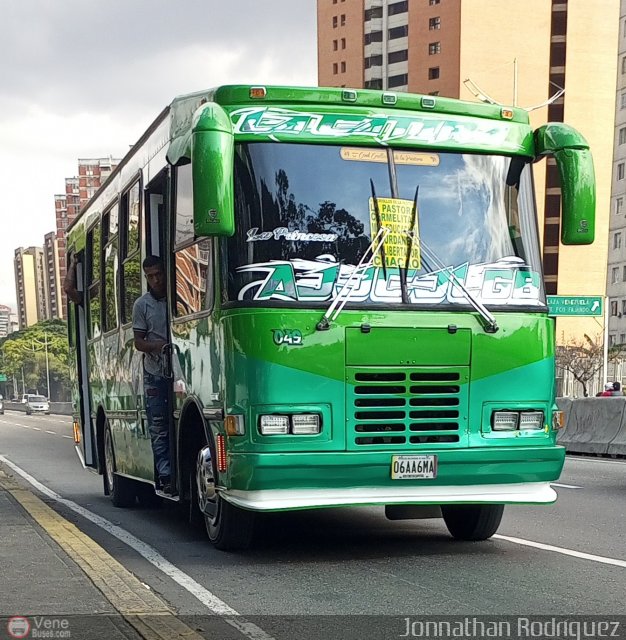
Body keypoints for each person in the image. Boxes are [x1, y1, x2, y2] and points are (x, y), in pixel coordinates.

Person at [132, 256, 173, 494]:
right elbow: (138, 342)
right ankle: (165, 475)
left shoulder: (180, 297)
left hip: (182, 373)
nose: (156, 280)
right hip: (155, 373)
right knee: (159, 428)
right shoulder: (142, 305)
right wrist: (158, 346)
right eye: (150, 276)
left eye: (159, 274)